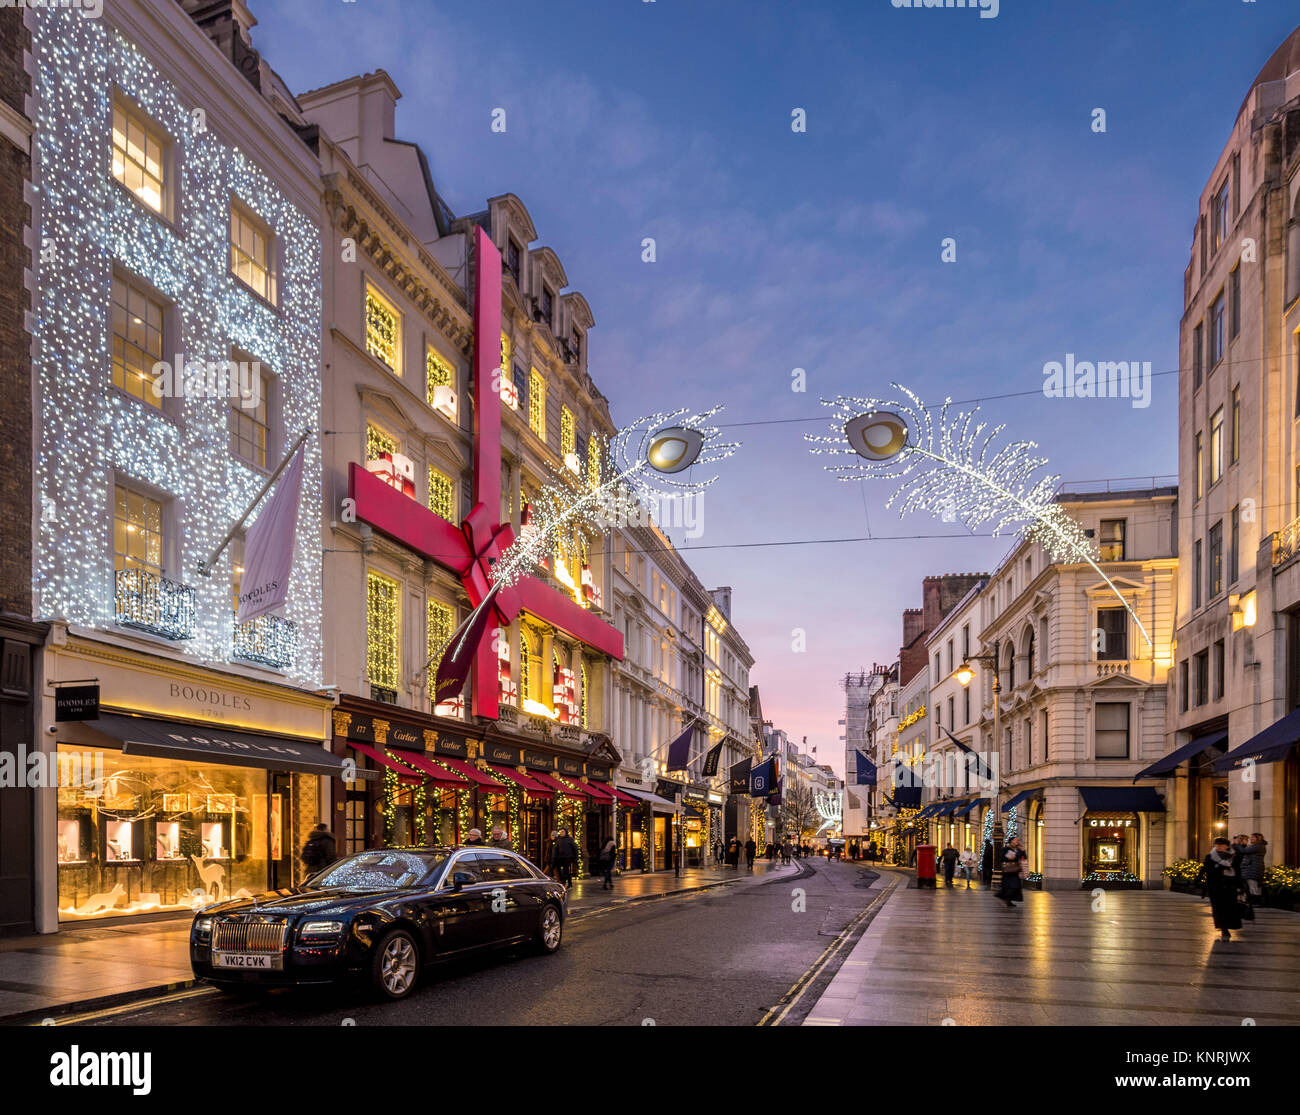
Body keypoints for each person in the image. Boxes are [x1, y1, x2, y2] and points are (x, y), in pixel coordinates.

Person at [1199, 836, 1244, 941]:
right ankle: (1224, 929)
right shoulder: (1210, 857)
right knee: (1218, 909)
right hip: (1215, 887)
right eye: (1217, 845)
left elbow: (1238, 871)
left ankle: (1227, 926)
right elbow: (1206, 869)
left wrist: (1240, 886)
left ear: (1227, 846)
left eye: (1221, 845)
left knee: (1229, 908)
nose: (1219, 847)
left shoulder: (1234, 857)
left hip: (1230, 887)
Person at [994, 836, 1026, 908]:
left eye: (1018, 840)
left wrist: (1023, 851)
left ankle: (1008, 900)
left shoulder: (1018, 849)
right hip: (1008, 870)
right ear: (1011, 841)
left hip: (1015, 870)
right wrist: (1008, 858)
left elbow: (1024, 858)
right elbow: (1001, 858)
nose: (1017, 841)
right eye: (1015, 840)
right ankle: (1007, 900)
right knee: (1008, 886)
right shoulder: (1005, 849)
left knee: (1016, 886)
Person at [1239, 832, 1267, 905]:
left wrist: (1238, 844)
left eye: (1253, 837)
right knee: (1251, 885)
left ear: (1258, 838)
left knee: (1253, 885)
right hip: (1252, 868)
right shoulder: (1256, 845)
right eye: (1251, 837)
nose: (1251, 839)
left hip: (1254, 868)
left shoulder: (1258, 846)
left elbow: (1244, 851)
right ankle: (1253, 900)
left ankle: (1256, 901)